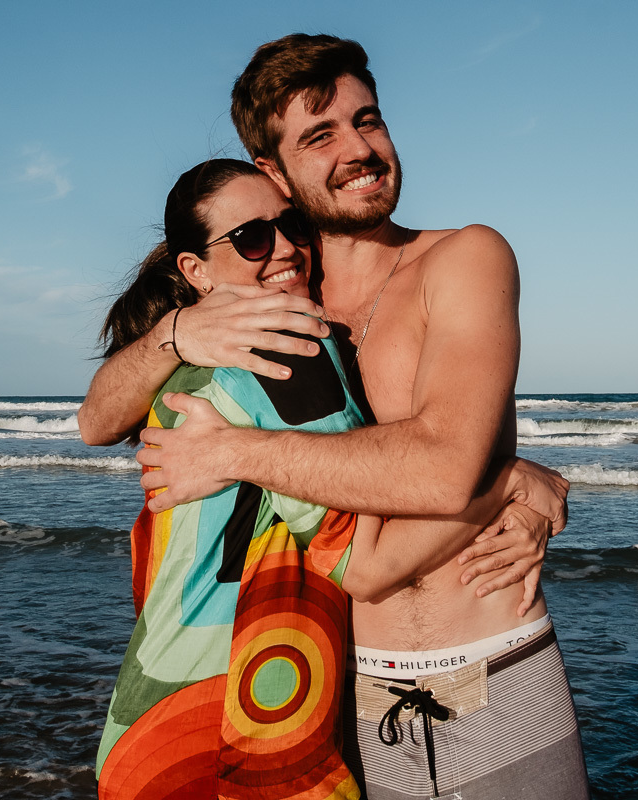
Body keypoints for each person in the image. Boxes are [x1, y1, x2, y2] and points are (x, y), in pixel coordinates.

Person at [80, 34, 589, 799]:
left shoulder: (464, 260)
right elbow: (97, 418)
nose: (361, 149)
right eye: (322, 135)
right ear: (272, 171)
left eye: (369, 120)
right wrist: (176, 333)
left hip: (494, 666)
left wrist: (237, 452)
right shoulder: (274, 291)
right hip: (344, 700)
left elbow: (446, 468)